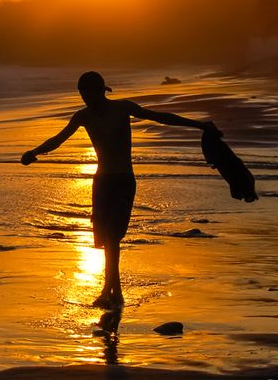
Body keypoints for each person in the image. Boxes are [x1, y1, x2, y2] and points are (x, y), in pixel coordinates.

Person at [21, 71, 219, 309]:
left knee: (114, 236)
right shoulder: (83, 116)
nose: (86, 98)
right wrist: (34, 152)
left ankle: (112, 291)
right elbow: (58, 139)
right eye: (82, 94)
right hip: (101, 181)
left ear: (100, 91)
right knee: (106, 238)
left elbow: (161, 117)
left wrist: (199, 125)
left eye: (89, 93)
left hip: (123, 179)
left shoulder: (122, 108)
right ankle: (113, 291)